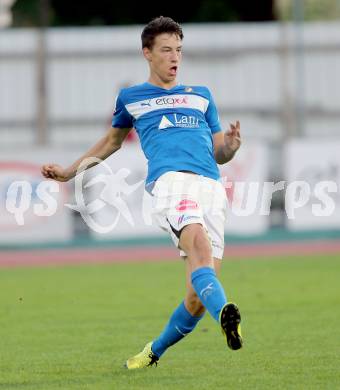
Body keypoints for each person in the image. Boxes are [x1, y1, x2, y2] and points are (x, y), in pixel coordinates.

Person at [41, 16, 243, 369]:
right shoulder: (131, 98)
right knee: (197, 244)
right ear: (147, 53)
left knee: (196, 299)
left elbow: (218, 152)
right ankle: (226, 310)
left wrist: (232, 147)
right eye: (166, 50)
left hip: (211, 187)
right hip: (170, 183)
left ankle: (153, 352)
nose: (174, 57)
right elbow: (111, 143)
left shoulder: (201, 96)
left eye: (178, 50)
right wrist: (69, 172)